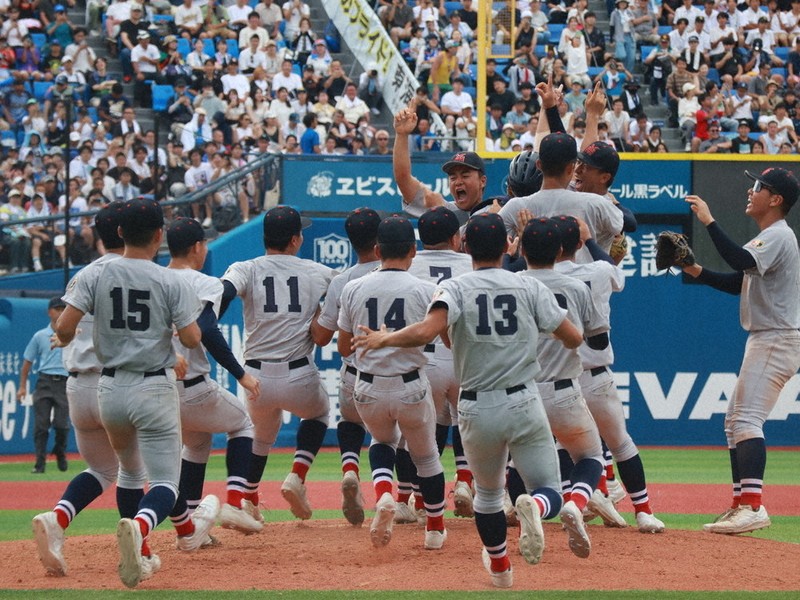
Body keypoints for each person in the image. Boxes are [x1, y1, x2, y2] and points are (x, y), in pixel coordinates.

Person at [352, 212, 582, 588]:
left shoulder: (454, 288)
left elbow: (429, 330)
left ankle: (501, 569)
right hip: (524, 399)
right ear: (508, 247)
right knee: (549, 491)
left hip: (476, 406)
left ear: (465, 245)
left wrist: (385, 339)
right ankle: (535, 508)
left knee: (488, 497)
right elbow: (572, 337)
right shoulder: (529, 287)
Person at [54, 198, 202, 589]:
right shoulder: (170, 279)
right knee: (167, 484)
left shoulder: (93, 274)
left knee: (129, 472)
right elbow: (190, 336)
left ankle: (142, 550)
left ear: (119, 233)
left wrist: (68, 334)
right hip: (152, 384)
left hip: (109, 386)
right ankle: (140, 527)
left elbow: (66, 328)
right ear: (160, 235)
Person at [30, 205, 149, 577]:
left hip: (78, 386)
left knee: (100, 468)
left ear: (100, 235)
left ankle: (58, 519)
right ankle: (138, 552)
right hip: (117, 381)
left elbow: (63, 329)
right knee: (133, 473)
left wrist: (66, 337)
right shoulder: (140, 271)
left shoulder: (84, 274)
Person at [680, 169, 800, 535]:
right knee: (734, 422)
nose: (752, 190)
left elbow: (739, 262)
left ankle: (753, 506)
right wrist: (693, 268)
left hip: (777, 338)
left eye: (759, 187)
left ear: (776, 199)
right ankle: (740, 505)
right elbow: (739, 283)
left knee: (746, 420)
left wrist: (709, 221)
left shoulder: (778, 235)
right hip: (768, 338)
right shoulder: (770, 237)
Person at [337, 216, 447, 551]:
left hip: (368, 386)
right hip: (410, 384)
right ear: (414, 250)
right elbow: (448, 341)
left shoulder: (353, 287)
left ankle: (385, 494)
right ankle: (434, 530)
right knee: (426, 457)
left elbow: (344, 347)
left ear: (377, 249)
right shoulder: (427, 290)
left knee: (381, 443)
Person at [220, 206, 334, 522]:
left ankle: (249, 499)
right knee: (320, 413)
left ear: (265, 237)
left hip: (255, 377)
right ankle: (297, 474)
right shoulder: (318, 272)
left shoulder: (247, 268)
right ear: (296, 239)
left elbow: (224, 291)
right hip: (299, 373)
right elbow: (350, 288)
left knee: (260, 439)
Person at [552, 213, 665, 534]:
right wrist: (589, 239)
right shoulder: (599, 270)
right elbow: (615, 271)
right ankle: (643, 512)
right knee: (620, 444)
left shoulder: (535, 279)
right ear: (576, 244)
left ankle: (575, 499)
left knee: (564, 445)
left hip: (560, 378)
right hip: (596, 375)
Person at [164, 218, 264, 539]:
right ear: (197, 247)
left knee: (195, 445)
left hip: (158, 389)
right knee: (242, 424)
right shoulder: (203, 282)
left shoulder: (153, 279)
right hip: (193, 386)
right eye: (204, 244)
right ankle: (234, 501)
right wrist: (242, 375)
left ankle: (193, 528)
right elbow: (207, 330)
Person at [310, 208, 382, 526]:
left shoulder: (342, 281)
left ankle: (350, 468)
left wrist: (312, 312)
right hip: (397, 374)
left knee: (351, 423)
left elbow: (323, 336)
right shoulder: (406, 273)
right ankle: (407, 498)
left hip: (355, 374)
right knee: (402, 438)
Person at [499, 132, 624, 261]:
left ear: (539, 165)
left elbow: (494, 255)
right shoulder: (597, 203)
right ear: (571, 168)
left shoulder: (516, 207)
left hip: (534, 279)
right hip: (584, 280)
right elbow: (620, 232)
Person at [394, 106, 487, 224]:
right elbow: (403, 179)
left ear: (482, 181)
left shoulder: (498, 214)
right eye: (453, 178)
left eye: (465, 176)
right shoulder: (443, 210)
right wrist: (401, 135)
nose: (458, 182)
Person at [18, 297, 70, 474]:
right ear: (50, 312)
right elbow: (27, 362)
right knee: (41, 425)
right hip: (45, 381)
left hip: (64, 382)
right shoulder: (40, 336)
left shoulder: (71, 333)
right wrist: (22, 387)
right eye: (57, 309)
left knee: (62, 425)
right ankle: (39, 463)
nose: (61, 312)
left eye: (64, 309)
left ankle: (60, 450)